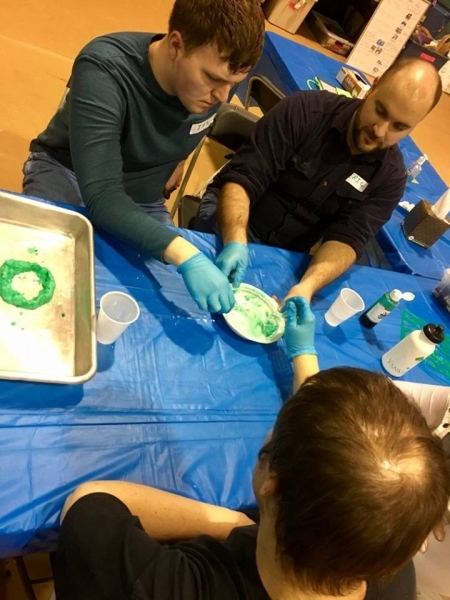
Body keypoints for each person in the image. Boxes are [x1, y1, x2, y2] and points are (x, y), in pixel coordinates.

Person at [53, 297, 450, 600]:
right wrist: (304, 356)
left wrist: (232, 522)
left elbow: (90, 503)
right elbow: (343, 445)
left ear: (270, 484)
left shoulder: (163, 584)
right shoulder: (393, 574)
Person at [21, 0, 265, 314]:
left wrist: (178, 161)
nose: (223, 96)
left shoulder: (205, 86)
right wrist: (186, 254)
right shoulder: (105, 68)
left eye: (234, 84)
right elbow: (104, 196)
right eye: (213, 79)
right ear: (175, 45)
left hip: (142, 196)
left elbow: (189, 126)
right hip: (70, 173)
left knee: (167, 306)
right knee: (48, 286)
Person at [194, 57, 443, 303]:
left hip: (288, 253)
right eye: (380, 110)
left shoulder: (390, 178)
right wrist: (235, 240)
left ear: (413, 127)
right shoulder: (305, 110)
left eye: (398, 127)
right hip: (233, 217)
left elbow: (348, 238)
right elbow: (244, 177)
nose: (379, 130)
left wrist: (308, 285)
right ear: (372, 87)